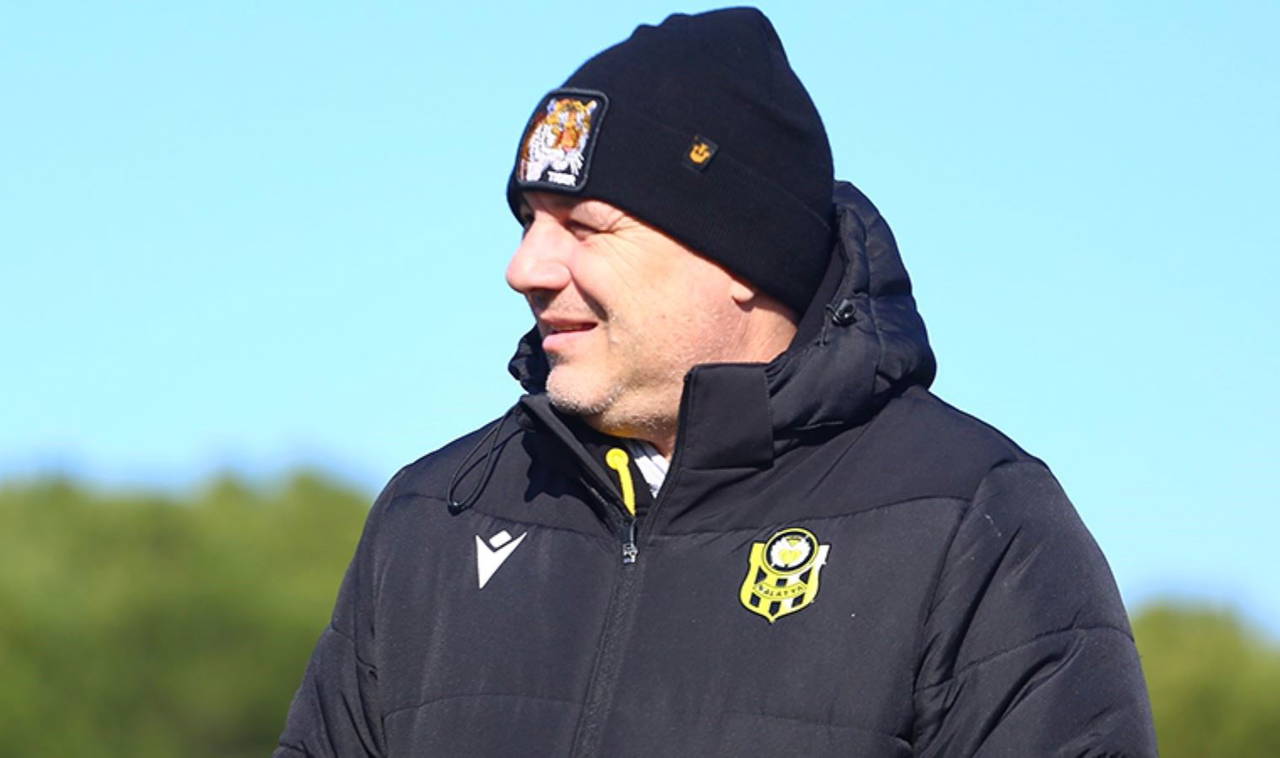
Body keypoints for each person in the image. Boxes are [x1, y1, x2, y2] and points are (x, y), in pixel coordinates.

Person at [275, 8, 1157, 756]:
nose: (524, 268)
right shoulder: (434, 518)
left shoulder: (973, 522)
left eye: (585, 226)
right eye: (528, 221)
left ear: (739, 254)